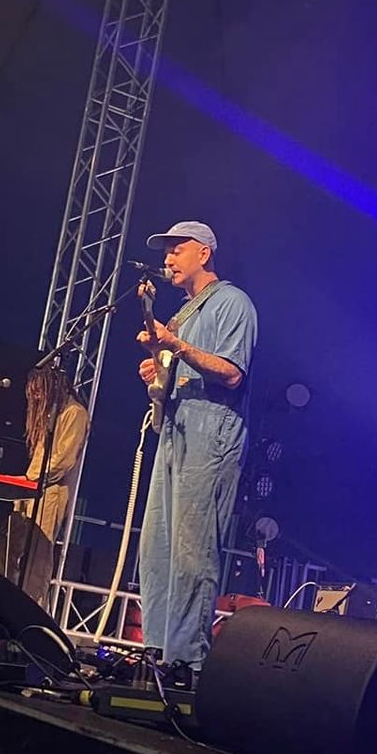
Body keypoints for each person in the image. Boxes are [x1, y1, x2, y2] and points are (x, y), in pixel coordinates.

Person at [135, 221, 258, 684]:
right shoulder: (181, 313)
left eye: (176, 250)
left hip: (212, 432)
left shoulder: (232, 303)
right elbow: (171, 373)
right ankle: (158, 650)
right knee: (157, 545)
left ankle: (187, 660)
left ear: (203, 253)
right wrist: (156, 373)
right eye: (165, 251)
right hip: (176, 428)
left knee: (192, 548)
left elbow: (231, 373)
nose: (168, 258)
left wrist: (176, 346)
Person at [7, 360, 90, 607]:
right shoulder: (48, 416)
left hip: (50, 493)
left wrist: (32, 479)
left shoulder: (75, 413)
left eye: (39, 388)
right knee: (10, 548)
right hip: (28, 490)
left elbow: (64, 460)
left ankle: (31, 609)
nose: (35, 394)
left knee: (38, 557)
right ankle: (8, 599)